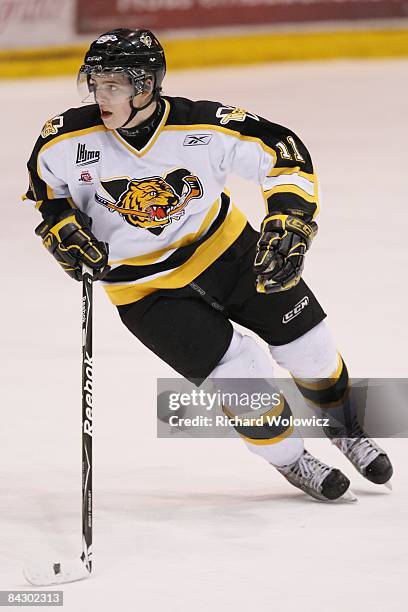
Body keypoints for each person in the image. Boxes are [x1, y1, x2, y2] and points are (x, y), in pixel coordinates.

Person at [23, 28, 393, 502]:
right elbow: (46, 190)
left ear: (146, 86)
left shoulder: (202, 127)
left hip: (229, 253)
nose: (100, 96)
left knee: (312, 349)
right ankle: (291, 460)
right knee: (243, 379)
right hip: (144, 291)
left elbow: (282, 150)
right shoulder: (65, 140)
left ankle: (345, 428)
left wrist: (289, 217)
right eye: (94, 84)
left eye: (113, 85)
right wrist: (59, 228)